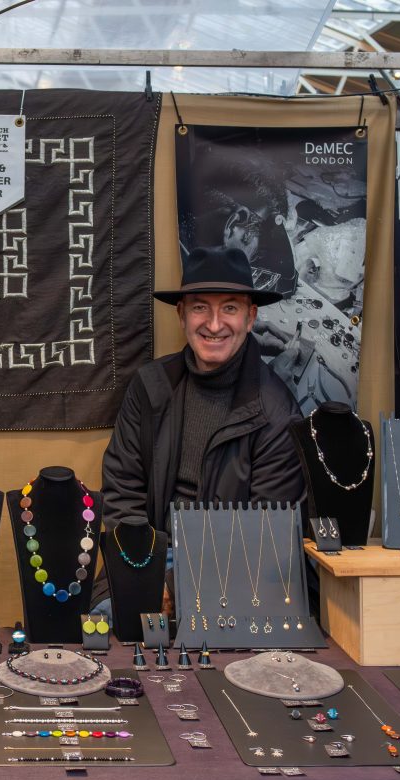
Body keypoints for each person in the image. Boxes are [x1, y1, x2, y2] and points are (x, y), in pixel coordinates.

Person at [95, 246, 304, 608]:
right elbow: (121, 492)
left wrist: (177, 589)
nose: (214, 323)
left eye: (230, 308)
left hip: (234, 578)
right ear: (182, 315)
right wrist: (145, 575)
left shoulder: (277, 412)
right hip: (146, 558)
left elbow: (266, 534)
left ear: (251, 317)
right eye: (199, 307)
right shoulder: (150, 387)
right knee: (102, 629)